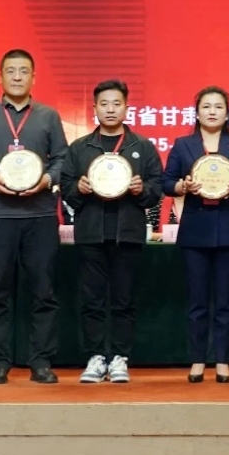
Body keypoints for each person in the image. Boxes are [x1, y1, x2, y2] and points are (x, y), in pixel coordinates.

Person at [0, 49, 67, 385]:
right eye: (11, 71)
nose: (18, 76)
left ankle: (41, 361)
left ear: (34, 77)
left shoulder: (48, 116)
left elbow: (62, 159)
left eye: (24, 71)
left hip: (40, 214)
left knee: (44, 291)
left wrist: (47, 179)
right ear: (0, 77)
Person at [60, 80, 163, 384]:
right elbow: (65, 188)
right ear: (94, 108)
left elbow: (157, 189)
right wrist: (77, 188)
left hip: (128, 234)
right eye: (104, 104)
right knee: (91, 300)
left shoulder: (142, 146)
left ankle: (119, 358)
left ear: (126, 108)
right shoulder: (80, 148)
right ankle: (94, 357)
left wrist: (143, 189)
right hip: (90, 234)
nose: (110, 109)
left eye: (116, 103)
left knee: (123, 300)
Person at [163, 86, 229, 384]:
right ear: (197, 112)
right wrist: (183, 186)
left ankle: (222, 360)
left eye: (218, 106)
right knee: (197, 301)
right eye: (206, 106)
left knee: (225, 301)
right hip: (195, 228)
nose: (212, 111)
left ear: (228, 113)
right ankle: (197, 360)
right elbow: (167, 183)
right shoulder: (183, 145)